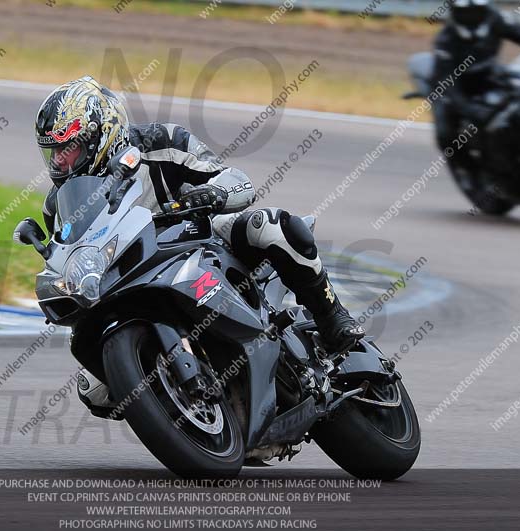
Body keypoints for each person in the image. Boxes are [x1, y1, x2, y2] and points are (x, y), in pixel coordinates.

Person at [35, 76, 364, 353]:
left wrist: (213, 193)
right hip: (127, 276)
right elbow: (70, 258)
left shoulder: (161, 141)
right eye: (53, 153)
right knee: (92, 386)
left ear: (100, 134)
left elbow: (237, 181)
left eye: (68, 150)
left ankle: (333, 318)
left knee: (271, 226)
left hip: (199, 239)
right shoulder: (59, 205)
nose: (59, 163)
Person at [432, 0, 520, 150]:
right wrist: (471, 110)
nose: (471, 17)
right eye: (465, 13)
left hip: (488, 77)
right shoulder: (445, 41)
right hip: (458, 87)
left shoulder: (496, 19)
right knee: (447, 133)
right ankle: (464, 169)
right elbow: (446, 84)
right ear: (454, 14)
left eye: (476, 12)